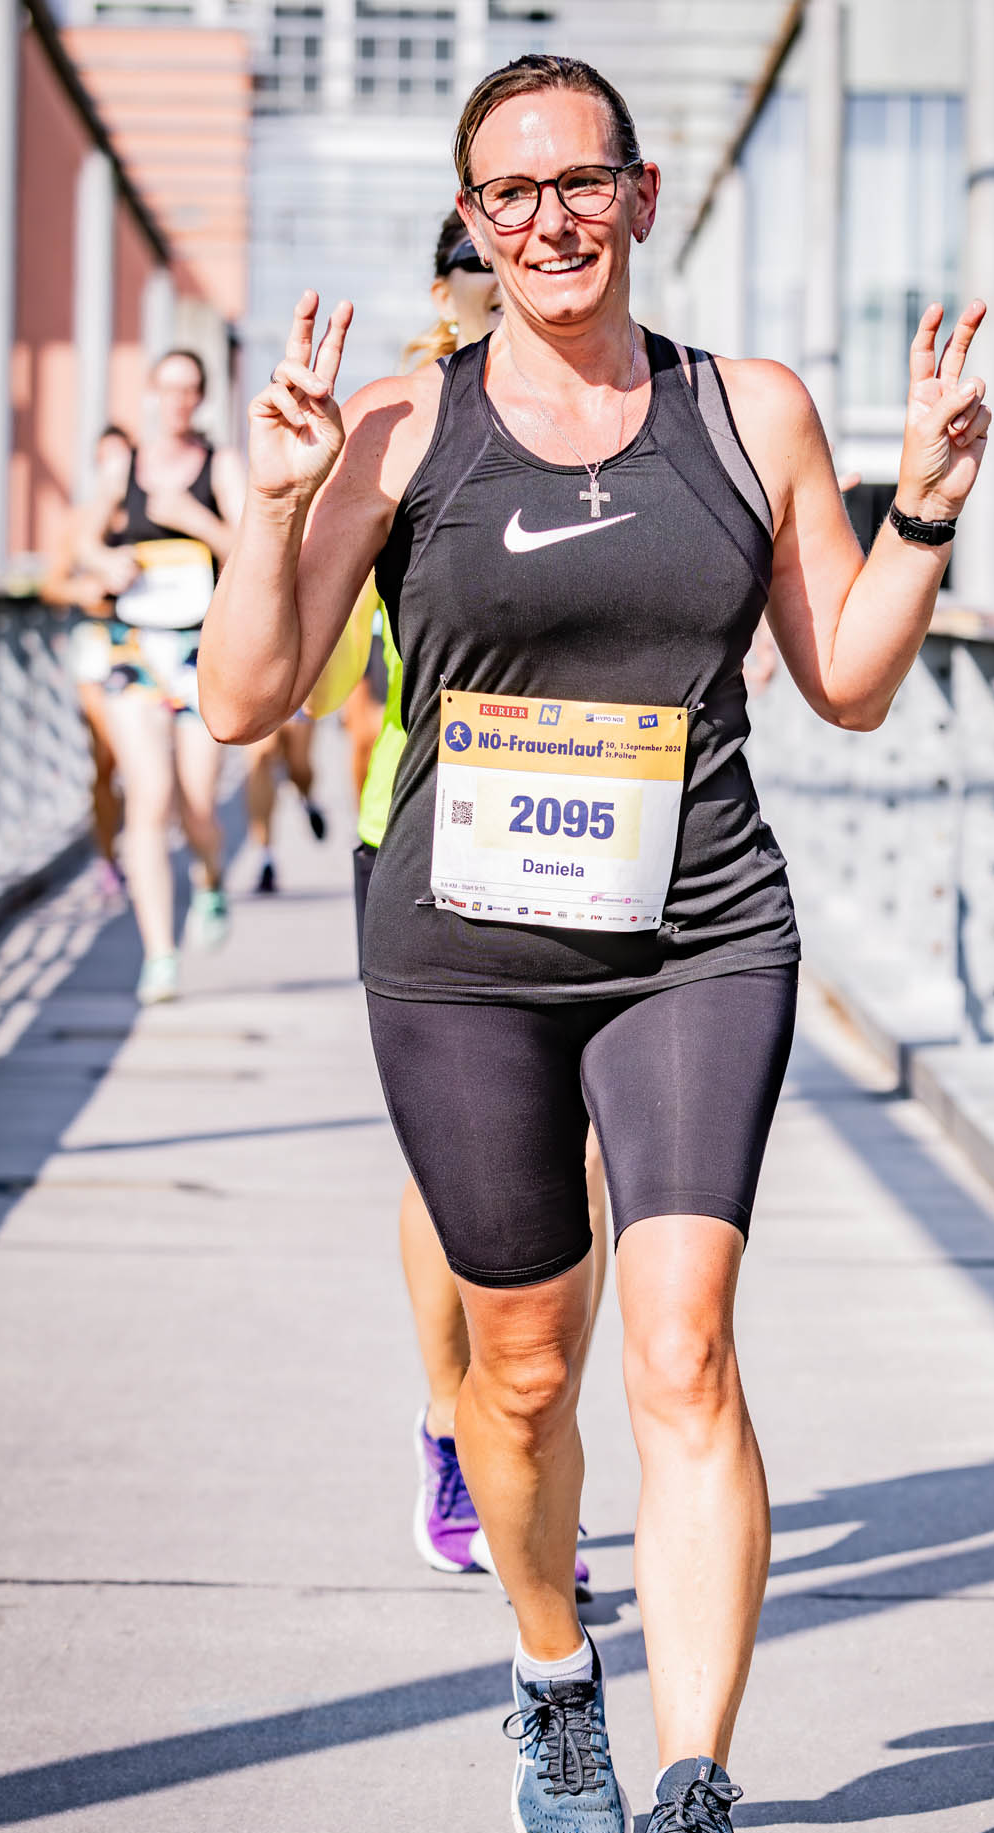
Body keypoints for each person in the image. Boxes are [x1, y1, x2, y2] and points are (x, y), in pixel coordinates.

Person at [198, 52, 991, 1833]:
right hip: (464, 956)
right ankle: (555, 1668)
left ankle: (697, 1795)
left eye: (580, 183)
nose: (548, 220)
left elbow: (848, 682)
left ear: (636, 196)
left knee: (683, 1349)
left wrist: (922, 513)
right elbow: (241, 700)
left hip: (693, 931)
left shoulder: (749, 410)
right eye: (510, 193)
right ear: (472, 222)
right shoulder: (399, 425)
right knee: (527, 1365)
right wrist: (272, 508)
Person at [308, 209, 607, 1584]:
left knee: (586, 1169)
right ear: (451, 284)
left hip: (603, 835)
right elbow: (315, 662)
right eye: (491, 258)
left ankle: (529, 1447)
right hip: (430, 831)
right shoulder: (404, 429)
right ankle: (451, 1420)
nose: (529, 271)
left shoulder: (623, 418)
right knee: (465, 1165)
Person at [80, 349, 244, 1004]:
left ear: (200, 397)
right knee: (147, 796)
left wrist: (194, 519)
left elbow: (251, 549)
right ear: (151, 393)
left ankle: (210, 879)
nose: (177, 400)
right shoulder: (123, 465)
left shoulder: (220, 465)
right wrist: (105, 563)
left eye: (189, 389)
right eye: (167, 388)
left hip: (201, 652)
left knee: (197, 805)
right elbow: (83, 538)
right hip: (135, 651)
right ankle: (159, 955)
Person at [38, 425, 133, 896]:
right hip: (95, 644)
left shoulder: (145, 515)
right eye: (106, 461)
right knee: (107, 754)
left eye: (122, 460)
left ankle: (138, 841)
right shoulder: (80, 521)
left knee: (139, 759)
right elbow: (51, 585)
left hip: (140, 643)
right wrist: (85, 589)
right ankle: (107, 856)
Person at [243, 716, 328, 894]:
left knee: (298, 766)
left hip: (298, 703)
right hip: (258, 700)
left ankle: (308, 800)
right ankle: (266, 857)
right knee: (261, 756)